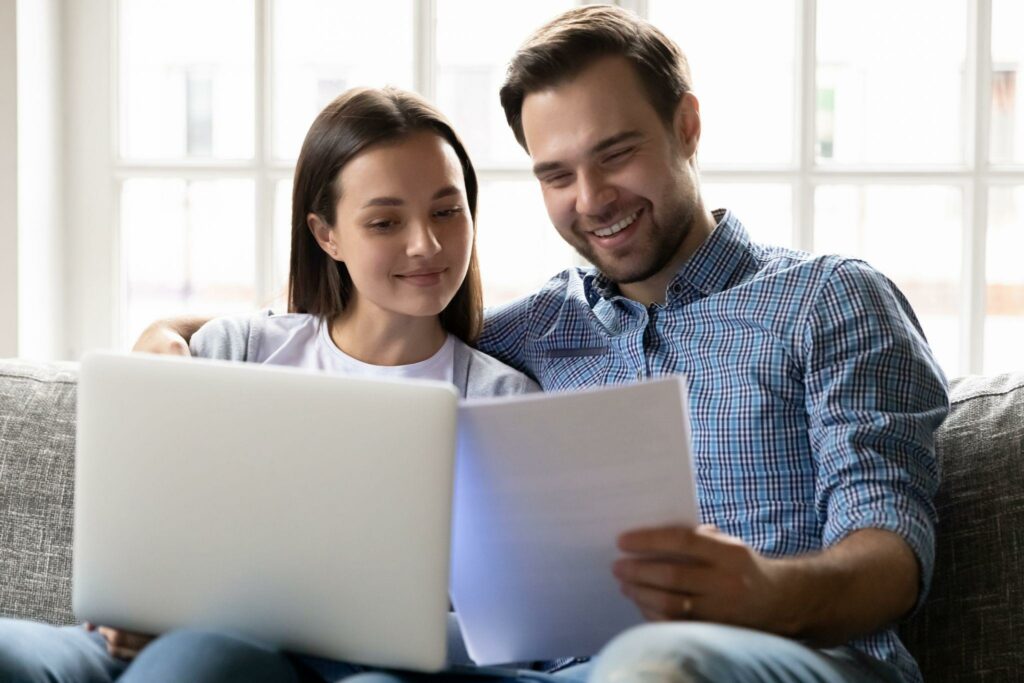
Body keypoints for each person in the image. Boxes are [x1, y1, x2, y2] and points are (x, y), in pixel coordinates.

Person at [47, 6, 950, 683]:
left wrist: (765, 590)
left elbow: (892, 554)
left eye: (617, 152)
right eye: (556, 172)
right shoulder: (530, 337)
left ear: (687, 126)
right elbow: (330, 330)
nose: (591, 196)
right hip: (558, 668)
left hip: (796, 655)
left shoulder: (829, 301)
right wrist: (166, 336)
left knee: (651, 661)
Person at [0, 87, 585, 682]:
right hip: (142, 644)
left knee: (198, 664)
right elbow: (144, 535)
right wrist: (134, 602)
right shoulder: (239, 352)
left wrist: (316, 629)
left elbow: (519, 642)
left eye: (446, 210)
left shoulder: (500, 402)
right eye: (385, 221)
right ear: (326, 234)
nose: (425, 244)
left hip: (311, 664)